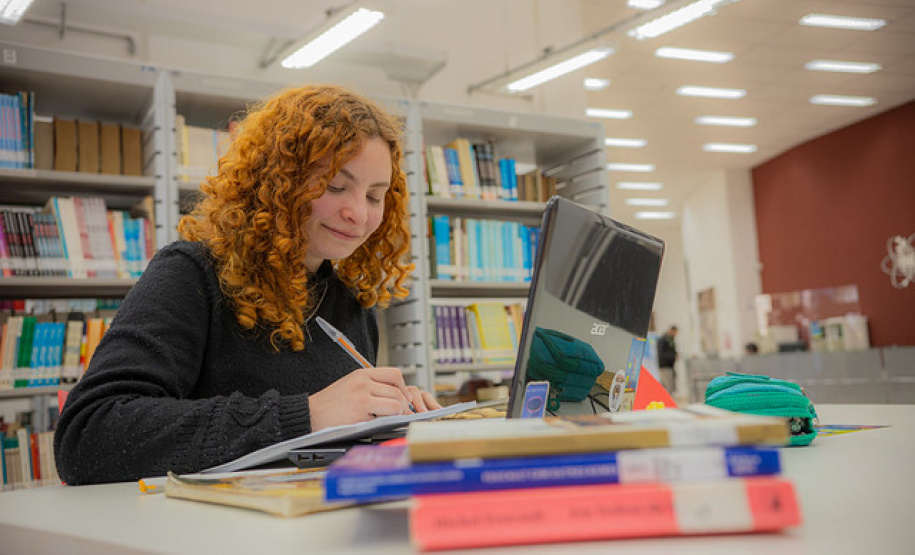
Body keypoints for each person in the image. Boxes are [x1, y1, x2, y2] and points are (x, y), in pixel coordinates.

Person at [54, 85, 441, 485]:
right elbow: (88, 436)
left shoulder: (349, 302)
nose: (358, 214)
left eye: (376, 196)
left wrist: (387, 423)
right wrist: (307, 414)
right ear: (279, 181)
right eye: (334, 187)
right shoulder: (191, 274)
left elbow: (320, 455)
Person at [657, 325, 679, 394]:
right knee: (668, 387)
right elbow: (662, 354)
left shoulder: (670, 340)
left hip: (670, 366)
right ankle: (667, 403)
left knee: (669, 387)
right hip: (665, 366)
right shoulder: (663, 340)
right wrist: (673, 357)